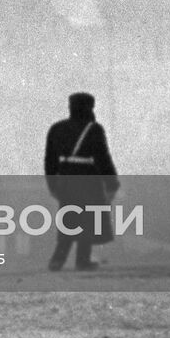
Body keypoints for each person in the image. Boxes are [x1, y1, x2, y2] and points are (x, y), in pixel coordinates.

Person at [44, 92, 120, 272]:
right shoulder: (93, 129)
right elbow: (103, 158)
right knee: (88, 219)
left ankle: (57, 260)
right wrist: (111, 183)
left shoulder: (57, 129)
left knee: (68, 220)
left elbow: (50, 161)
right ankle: (82, 260)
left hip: (66, 180)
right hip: (88, 179)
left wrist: (52, 185)